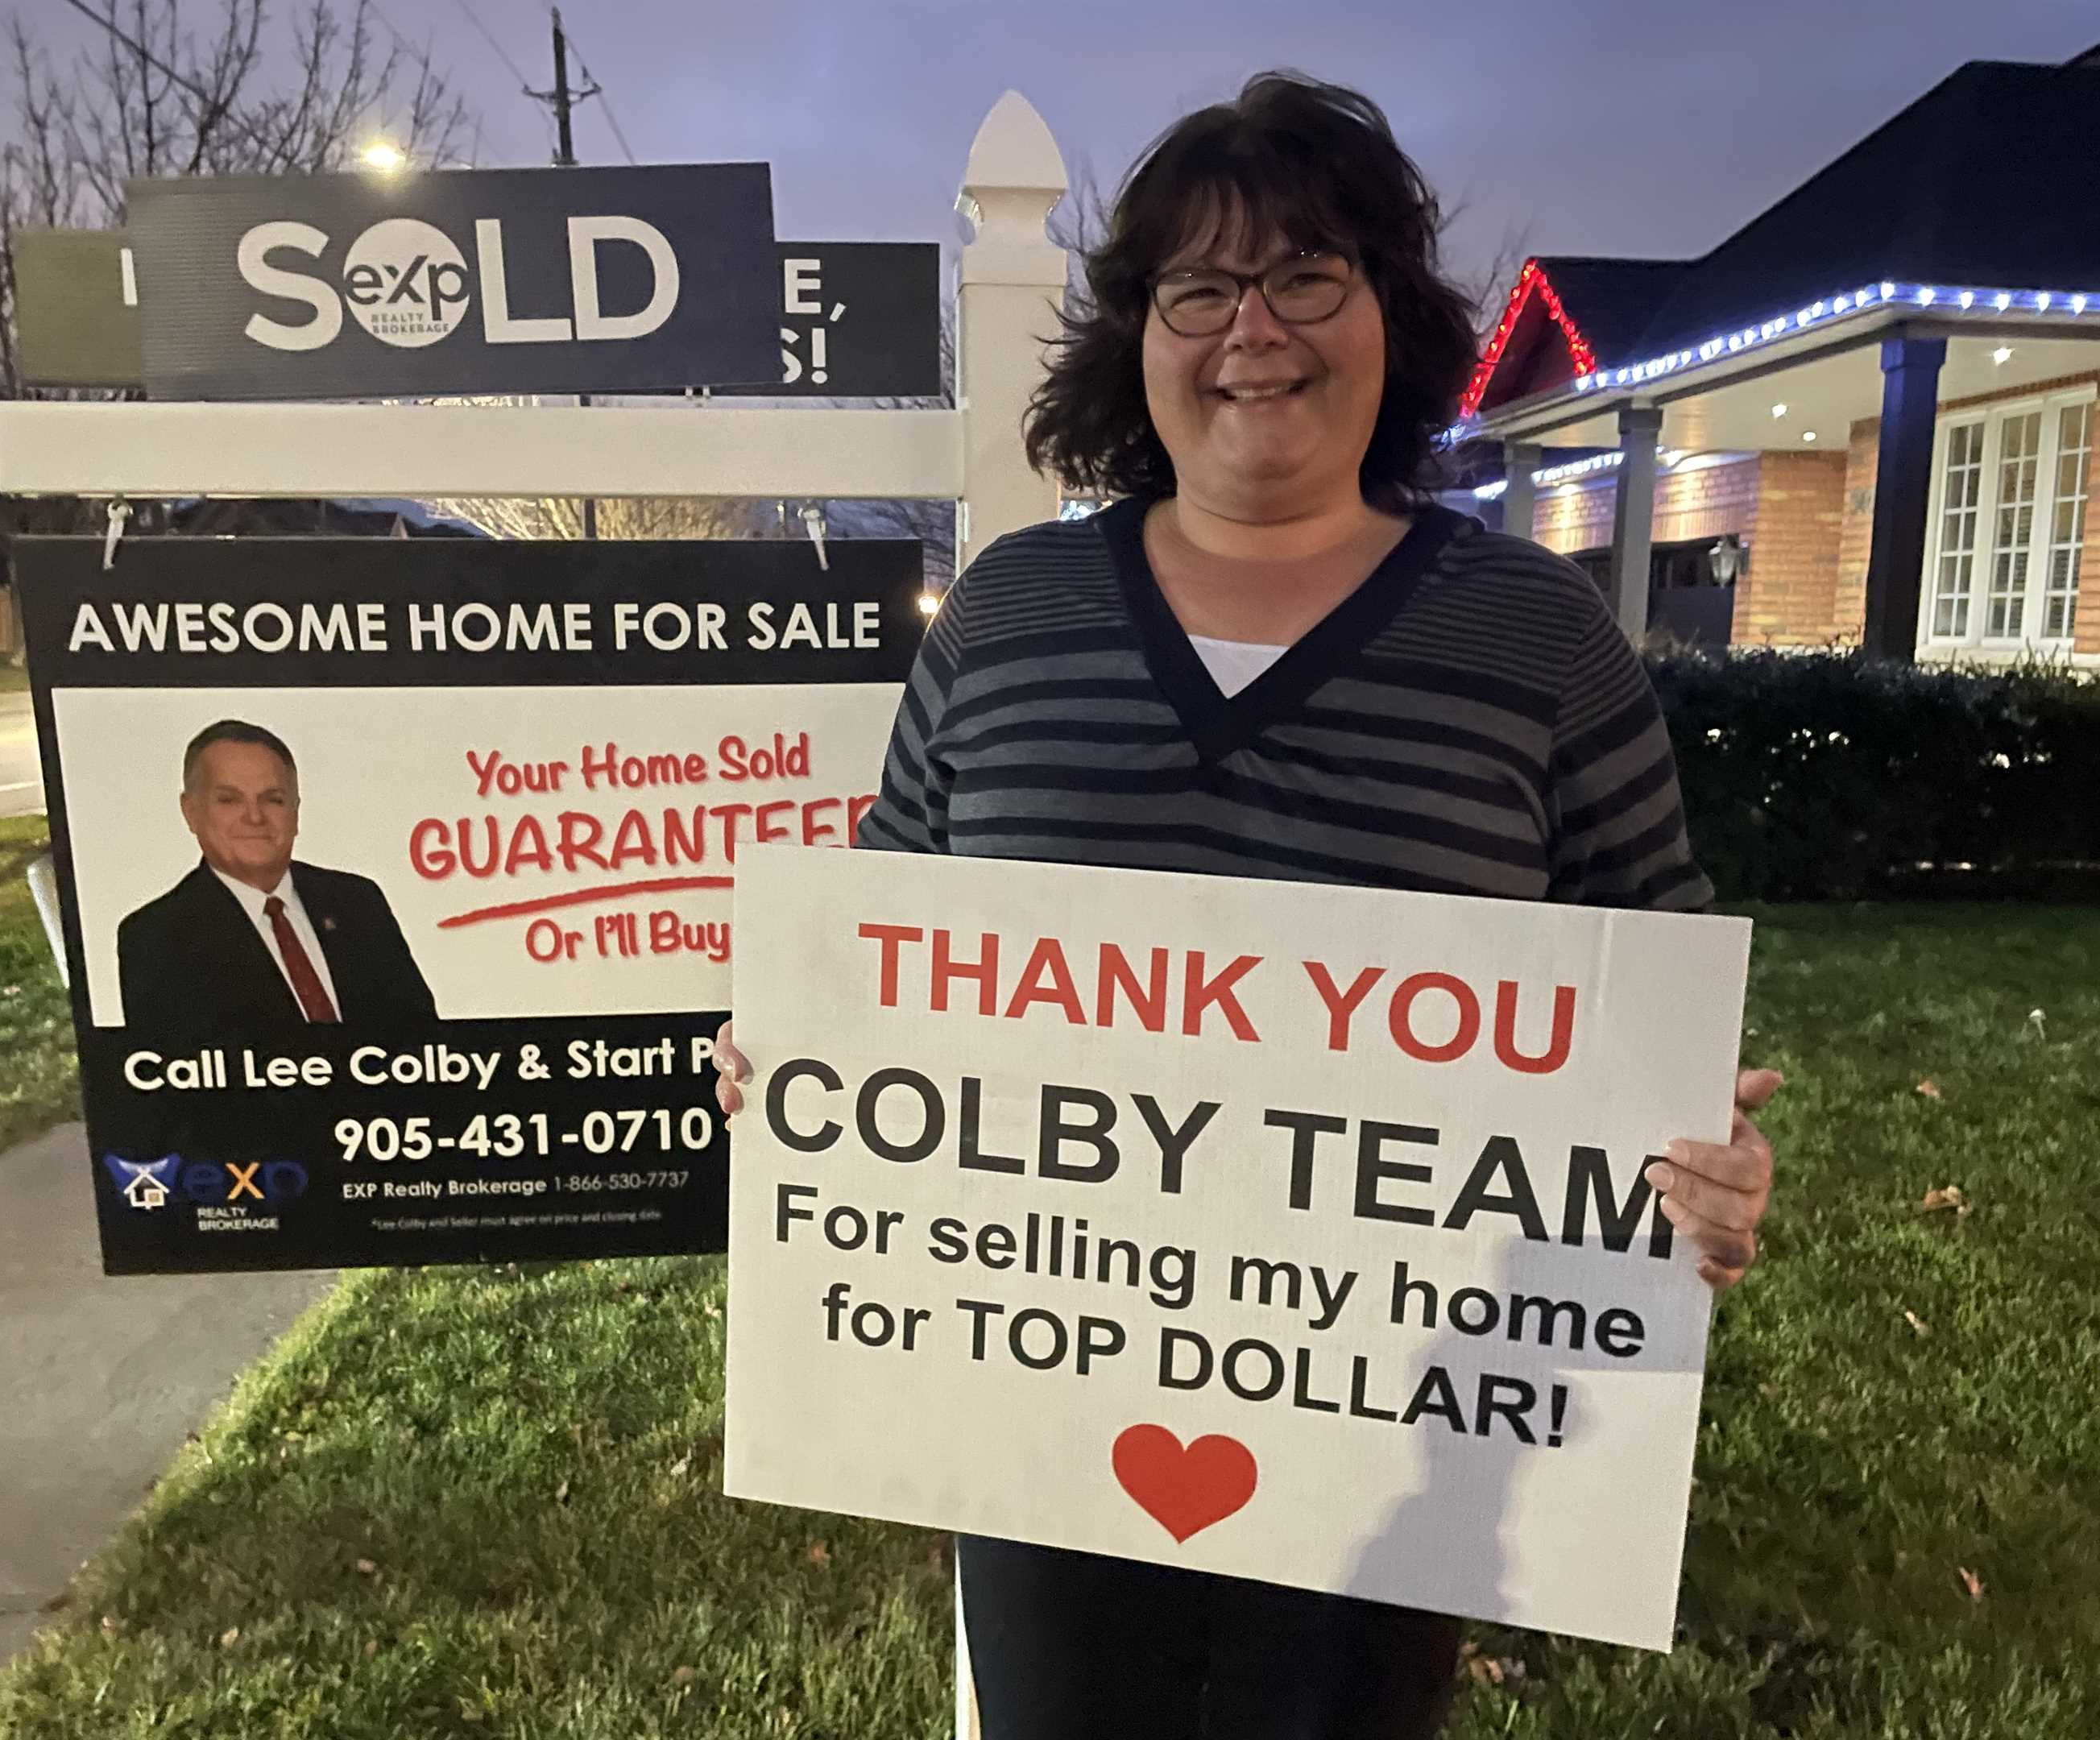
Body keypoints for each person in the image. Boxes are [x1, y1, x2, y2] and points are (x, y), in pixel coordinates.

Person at [714, 72, 1779, 1739]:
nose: (1251, 330)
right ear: (1138, 335)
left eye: (1305, 276)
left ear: (1389, 315)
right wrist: (799, 1062)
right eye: (1197, 288)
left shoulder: (1538, 637)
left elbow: (1652, 971)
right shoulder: (1009, 616)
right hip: (1040, 1385)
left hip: (1400, 1411)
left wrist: (1704, 1169)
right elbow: (886, 919)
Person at [116, 719, 438, 1034]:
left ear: (295, 811)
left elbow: (427, 1045)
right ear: (191, 811)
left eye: (273, 799)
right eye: (229, 800)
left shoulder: (357, 902)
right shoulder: (156, 937)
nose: (255, 817)